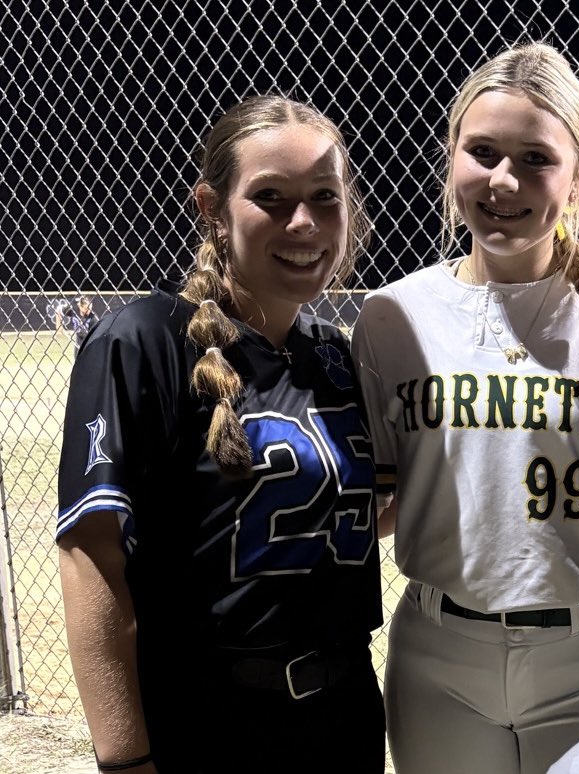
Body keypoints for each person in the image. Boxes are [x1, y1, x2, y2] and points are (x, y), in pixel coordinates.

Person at [351, 43, 579, 774]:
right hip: (438, 657)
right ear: (452, 156)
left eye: (535, 158)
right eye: (483, 151)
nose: (503, 179)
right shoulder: (392, 317)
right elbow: (387, 500)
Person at [55, 95, 385, 773]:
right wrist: (123, 758)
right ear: (211, 207)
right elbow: (91, 557)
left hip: (344, 713)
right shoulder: (144, 340)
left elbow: (336, 516)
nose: (304, 222)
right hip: (207, 723)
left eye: (324, 197)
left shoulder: (335, 354)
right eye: (270, 196)